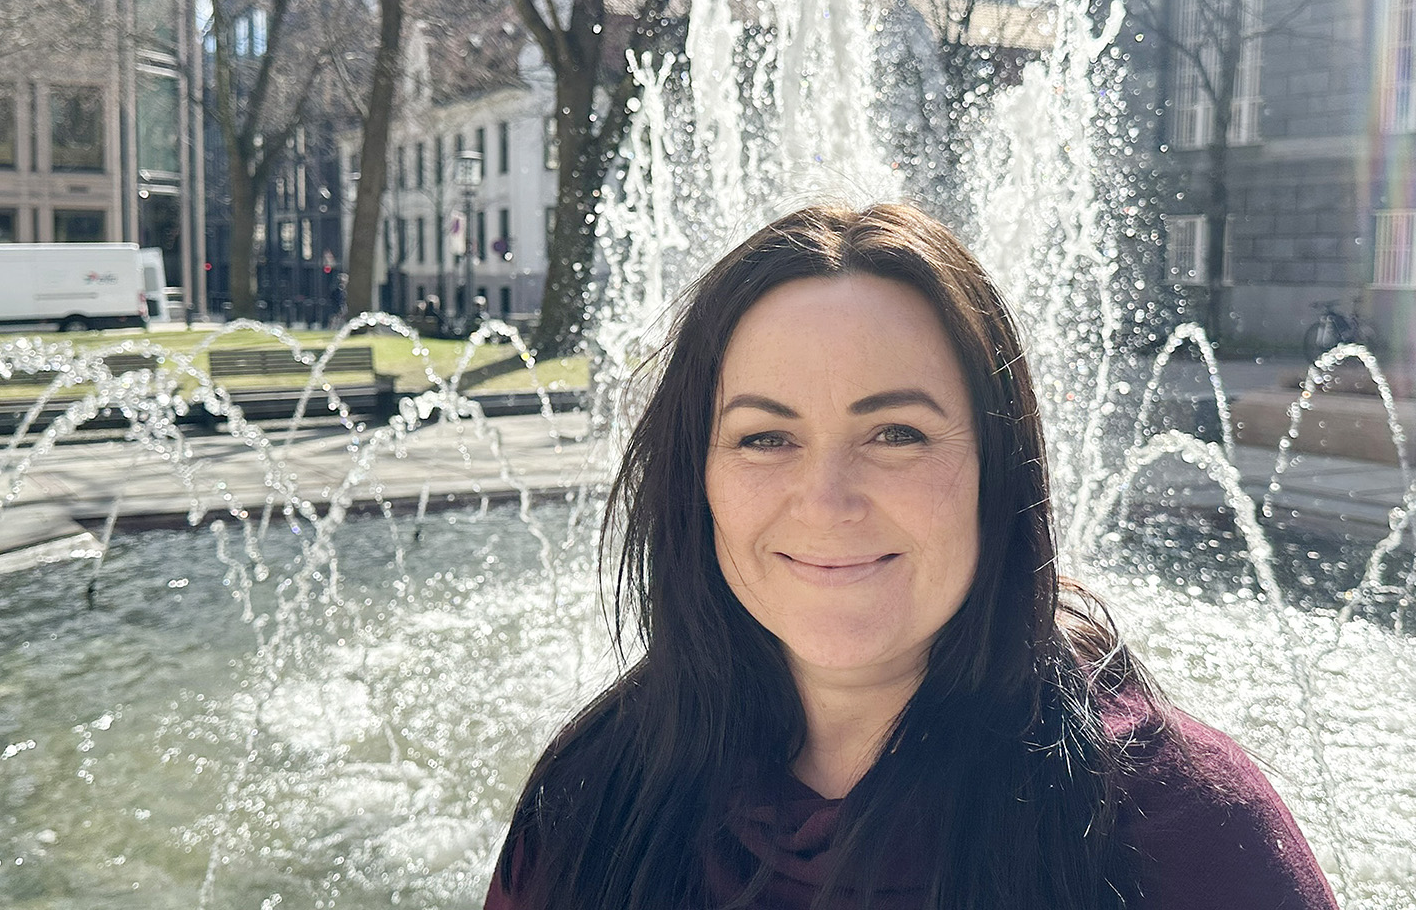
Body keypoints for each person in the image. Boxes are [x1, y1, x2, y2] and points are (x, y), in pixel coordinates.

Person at [484, 203, 1338, 910]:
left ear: (999, 473)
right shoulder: (594, 797)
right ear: (694, 480)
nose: (825, 501)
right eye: (764, 436)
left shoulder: (1180, 827)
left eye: (896, 433)